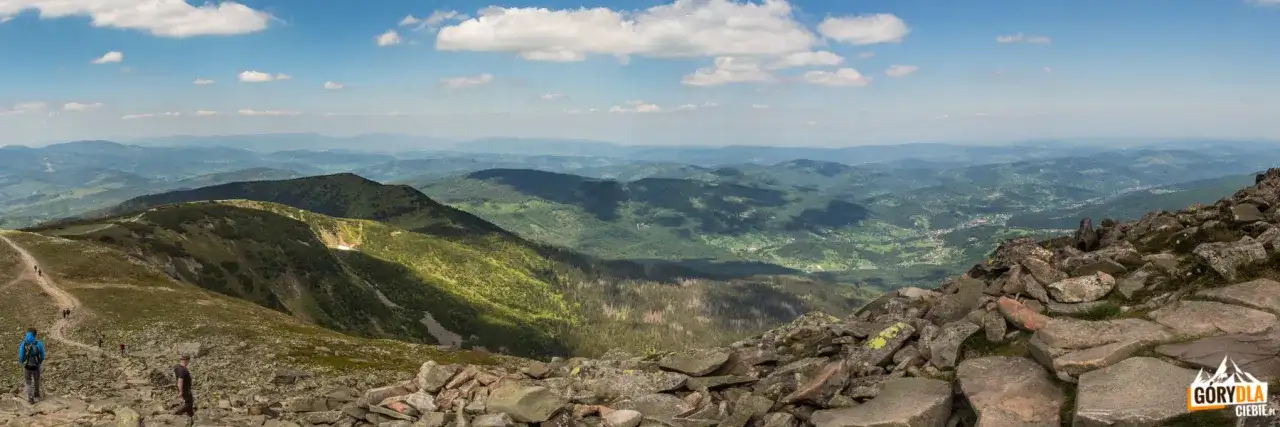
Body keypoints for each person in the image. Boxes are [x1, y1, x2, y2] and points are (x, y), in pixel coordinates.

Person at [18, 328, 45, 405]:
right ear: (35, 335)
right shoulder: (39, 344)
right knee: (36, 380)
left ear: (27, 334)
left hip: (27, 366)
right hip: (36, 366)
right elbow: (42, 355)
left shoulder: (24, 344)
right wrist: (39, 362)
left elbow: (21, 356)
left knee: (28, 382)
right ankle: (37, 395)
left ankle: (30, 398)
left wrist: (22, 362)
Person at [173, 354, 196, 419]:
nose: (188, 363)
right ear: (186, 360)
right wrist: (180, 391)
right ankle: (177, 412)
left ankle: (191, 414)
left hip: (185, 388)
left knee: (190, 402)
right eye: (188, 361)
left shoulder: (177, 366)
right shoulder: (182, 370)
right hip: (185, 389)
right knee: (188, 403)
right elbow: (180, 381)